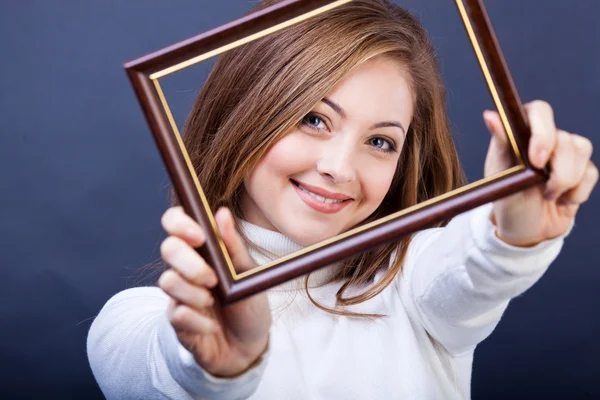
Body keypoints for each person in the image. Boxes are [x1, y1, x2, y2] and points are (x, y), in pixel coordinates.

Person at [87, 0, 597, 399]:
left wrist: (512, 233)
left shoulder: (413, 281)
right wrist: (217, 367)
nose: (339, 167)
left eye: (380, 141)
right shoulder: (132, 323)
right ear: (244, 112)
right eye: (313, 119)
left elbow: (472, 268)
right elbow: (162, 371)